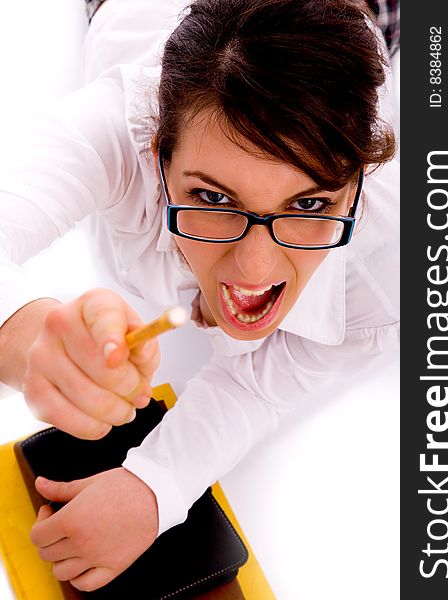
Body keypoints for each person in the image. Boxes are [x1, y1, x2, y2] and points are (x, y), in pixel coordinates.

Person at [0, 0, 399, 592]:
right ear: (157, 154)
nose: (255, 268)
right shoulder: (119, 122)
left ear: (359, 183)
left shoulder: (390, 264)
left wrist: (157, 486)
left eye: (310, 204)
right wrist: (20, 331)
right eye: (212, 199)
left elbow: (264, 382)